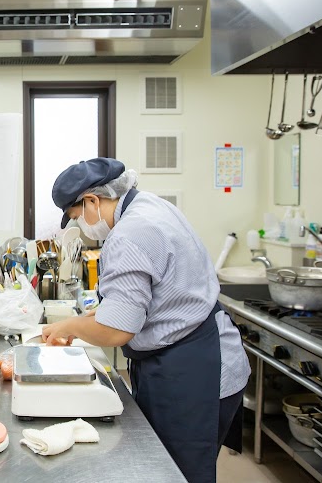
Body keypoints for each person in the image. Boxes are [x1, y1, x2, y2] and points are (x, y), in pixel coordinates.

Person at [42, 157, 250, 483]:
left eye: (77, 216)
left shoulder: (129, 235)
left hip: (192, 370)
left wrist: (69, 326)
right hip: (203, 348)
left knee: (176, 473)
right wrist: (86, 318)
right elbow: (143, 299)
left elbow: (116, 330)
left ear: (93, 201)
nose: (80, 224)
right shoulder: (151, 206)